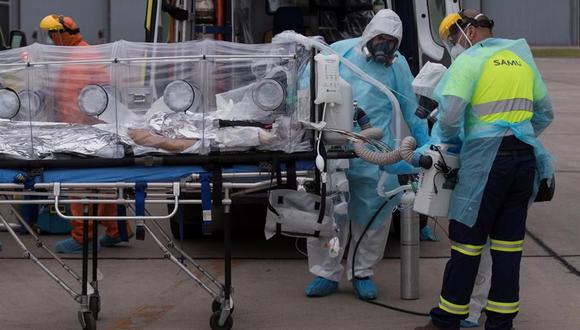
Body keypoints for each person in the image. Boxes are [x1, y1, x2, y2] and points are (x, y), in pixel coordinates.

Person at [416, 9, 554, 330]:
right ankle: (500, 323)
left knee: (467, 243)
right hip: (524, 160)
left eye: (454, 36)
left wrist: (451, 140)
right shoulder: (521, 60)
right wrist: (516, 130)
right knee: (508, 247)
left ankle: (447, 320)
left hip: (486, 160)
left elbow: (449, 118)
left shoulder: (469, 62)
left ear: (471, 32)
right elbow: (544, 113)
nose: (454, 44)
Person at [305, 9, 429, 300]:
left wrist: (425, 142)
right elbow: (308, 87)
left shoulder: (397, 67)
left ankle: (362, 272)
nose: (385, 46)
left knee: (373, 216)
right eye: (381, 39)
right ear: (370, 35)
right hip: (335, 149)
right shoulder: (340, 52)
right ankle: (326, 273)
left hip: (374, 152)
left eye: (392, 41)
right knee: (331, 215)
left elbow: (411, 106)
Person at [39, 14, 133, 253]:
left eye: (52, 35)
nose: (51, 40)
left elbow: (82, 97)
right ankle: (117, 231)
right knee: (104, 183)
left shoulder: (77, 57)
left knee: (77, 185)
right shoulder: (84, 52)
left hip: (79, 130)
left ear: (61, 34)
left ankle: (83, 237)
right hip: (93, 128)